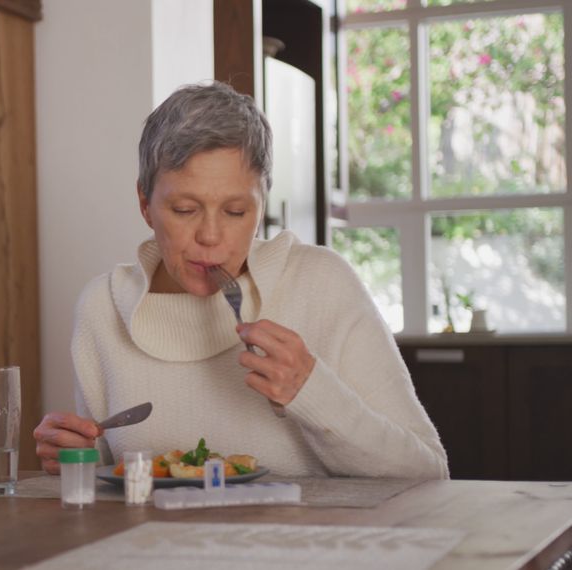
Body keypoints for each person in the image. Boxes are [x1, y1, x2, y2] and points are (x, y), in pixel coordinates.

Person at [33, 82, 448, 479]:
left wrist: (313, 393)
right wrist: (74, 454)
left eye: (235, 212)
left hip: (303, 551)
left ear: (261, 203)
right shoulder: (102, 309)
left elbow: (428, 471)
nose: (211, 236)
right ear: (145, 204)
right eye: (184, 209)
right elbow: (110, 481)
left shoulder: (322, 284)